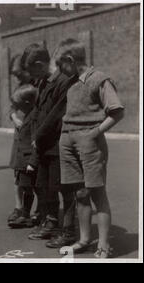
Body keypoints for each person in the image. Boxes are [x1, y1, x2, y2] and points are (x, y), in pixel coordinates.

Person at [57, 38, 124, 258]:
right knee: (80, 193)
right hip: (68, 139)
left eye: (61, 65)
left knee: (97, 193)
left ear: (70, 60)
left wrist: (94, 133)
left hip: (89, 141)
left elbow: (117, 112)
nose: (59, 70)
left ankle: (104, 245)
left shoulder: (100, 79)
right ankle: (84, 239)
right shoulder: (71, 82)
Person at [21, 43, 78, 248]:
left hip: (57, 144)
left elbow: (57, 114)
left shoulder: (63, 81)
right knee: (43, 186)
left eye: (32, 70)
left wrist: (38, 135)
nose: (31, 75)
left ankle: (69, 231)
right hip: (44, 144)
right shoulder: (44, 82)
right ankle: (52, 223)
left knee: (63, 188)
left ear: (40, 64)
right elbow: (38, 112)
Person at [8, 83, 39, 228]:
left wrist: (32, 161)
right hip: (22, 155)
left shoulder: (33, 117)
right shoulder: (26, 111)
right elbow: (13, 105)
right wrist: (14, 117)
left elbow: (35, 141)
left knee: (31, 187)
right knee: (23, 184)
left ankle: (30, 214)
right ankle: (22, 212)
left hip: (28, 158)